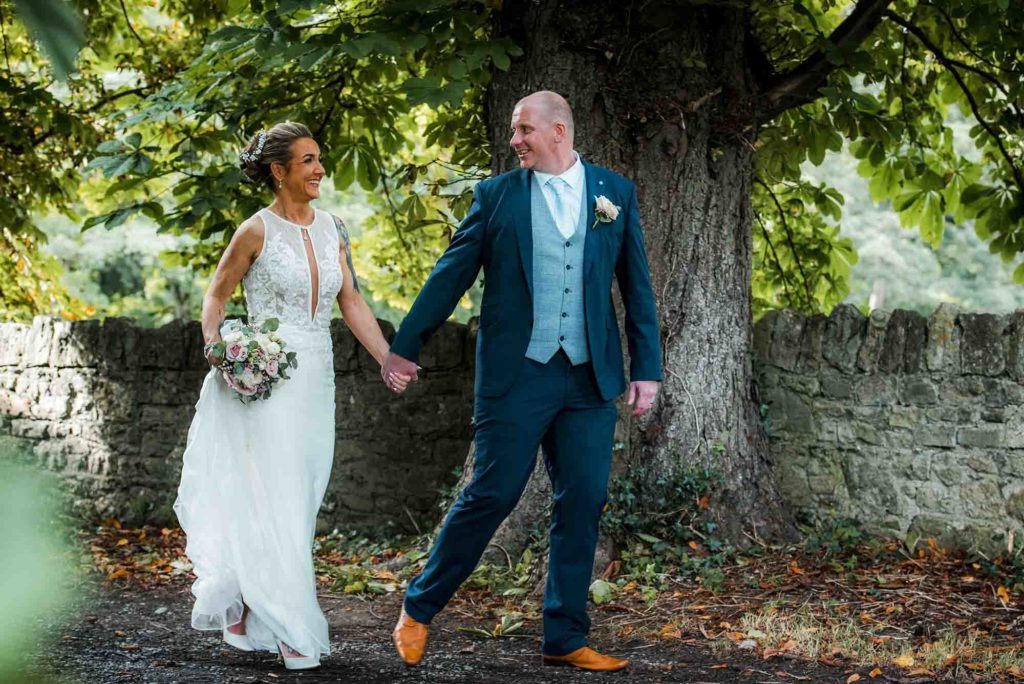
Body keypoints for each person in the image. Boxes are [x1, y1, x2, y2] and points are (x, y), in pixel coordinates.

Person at [382, 91, 662, 672]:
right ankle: (419, 605)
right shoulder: (496, 196)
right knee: (493, 494)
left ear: (558, 131)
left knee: (583, 500)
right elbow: (449, 276)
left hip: (589, 379)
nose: (515, 141)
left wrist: (647, 370)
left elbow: (637, 288)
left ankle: (565, 635)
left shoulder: (615, 194)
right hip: (517, 377)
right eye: (514, 130)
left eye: (523, 130)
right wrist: (406, 347)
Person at [174, 122, 410, 671]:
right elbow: (215, 296)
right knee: (274, 493)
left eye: (319, 159)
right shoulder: (254, 231)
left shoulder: (334, 228)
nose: (320, 170)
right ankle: (289, 624)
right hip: (264, 380)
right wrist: (222, 350)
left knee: (301, 494)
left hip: (316, 379)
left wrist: (387, 358)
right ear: (279, 171)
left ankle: (248, 597)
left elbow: (350, 300)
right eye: (308, 161)